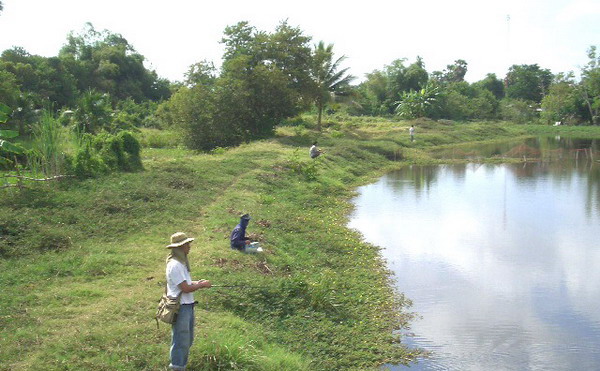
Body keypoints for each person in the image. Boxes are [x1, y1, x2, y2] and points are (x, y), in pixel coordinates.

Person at [165, 232, 211, 371]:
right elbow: (185, 288)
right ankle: (177, 367)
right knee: (181, 340)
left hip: (187, 306)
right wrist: (201, 285)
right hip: (181, 307)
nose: (189, 247)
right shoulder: (175, 265)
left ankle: (181, 365)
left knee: (187, 339)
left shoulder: (181, 263)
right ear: (179, 247)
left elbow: (187, 283)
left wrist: (198, 282)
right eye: (186, 244)